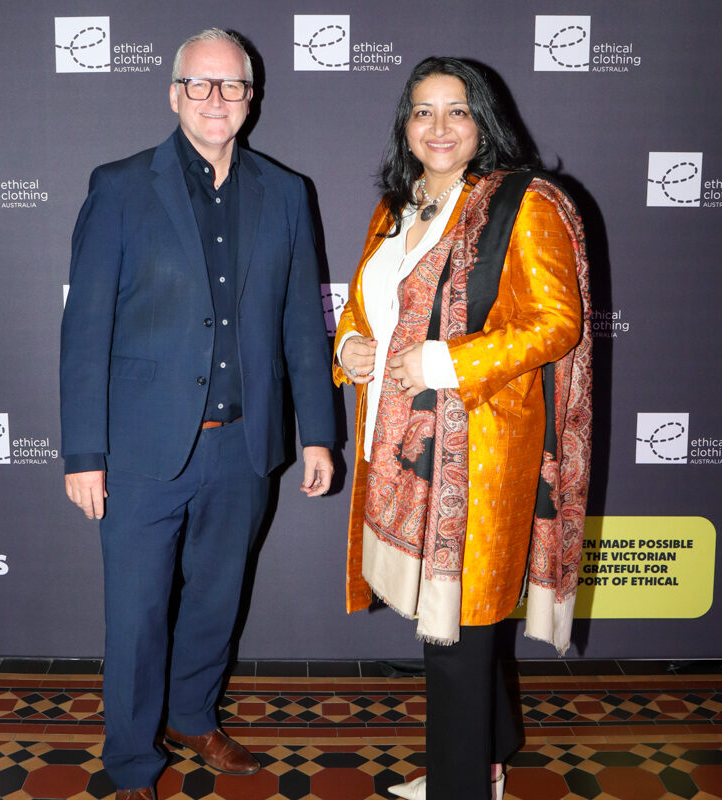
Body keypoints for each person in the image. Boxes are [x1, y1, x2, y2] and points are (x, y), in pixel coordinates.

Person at [61, 28, 336, 800]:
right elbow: (85, 331)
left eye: (233, 86)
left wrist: (316, 430)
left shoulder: (286, 192)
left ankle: (191, 715)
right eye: (201, 85)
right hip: (142, 451)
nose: (217, 100)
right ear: (174, 93)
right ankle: (132, 766)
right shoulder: (119, 186)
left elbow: (298, 328)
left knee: (216, 601)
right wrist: (84, 452)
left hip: (244, 447)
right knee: (138, 616)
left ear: (252, 98)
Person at [333, 57, 591, 800]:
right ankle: (492, 750)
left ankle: (461, 785)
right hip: (405, 448)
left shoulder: (523, 203)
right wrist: (349, 345)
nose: (439, 127)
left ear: (484, 121)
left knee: (453, 627)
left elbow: (557, 322)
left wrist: (447, 361)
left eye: (457, 111)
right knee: (451, 618)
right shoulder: (396, 207)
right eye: (422, 111)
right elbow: (366, 307)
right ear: (404, 125)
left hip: (480, 449)